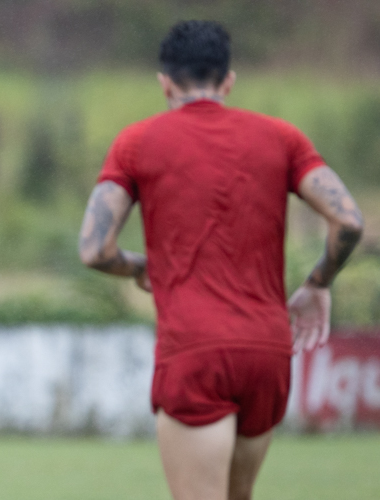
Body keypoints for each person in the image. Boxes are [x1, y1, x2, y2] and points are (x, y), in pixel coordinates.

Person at [79, 20, 363, 500]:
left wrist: (140, 266)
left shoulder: (137, 142)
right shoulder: (282, 138)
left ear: (164, 82)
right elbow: (349, 220)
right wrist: (317, 283)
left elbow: (94, 249)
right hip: (267, 354)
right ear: (228, 81)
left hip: (195, 352)